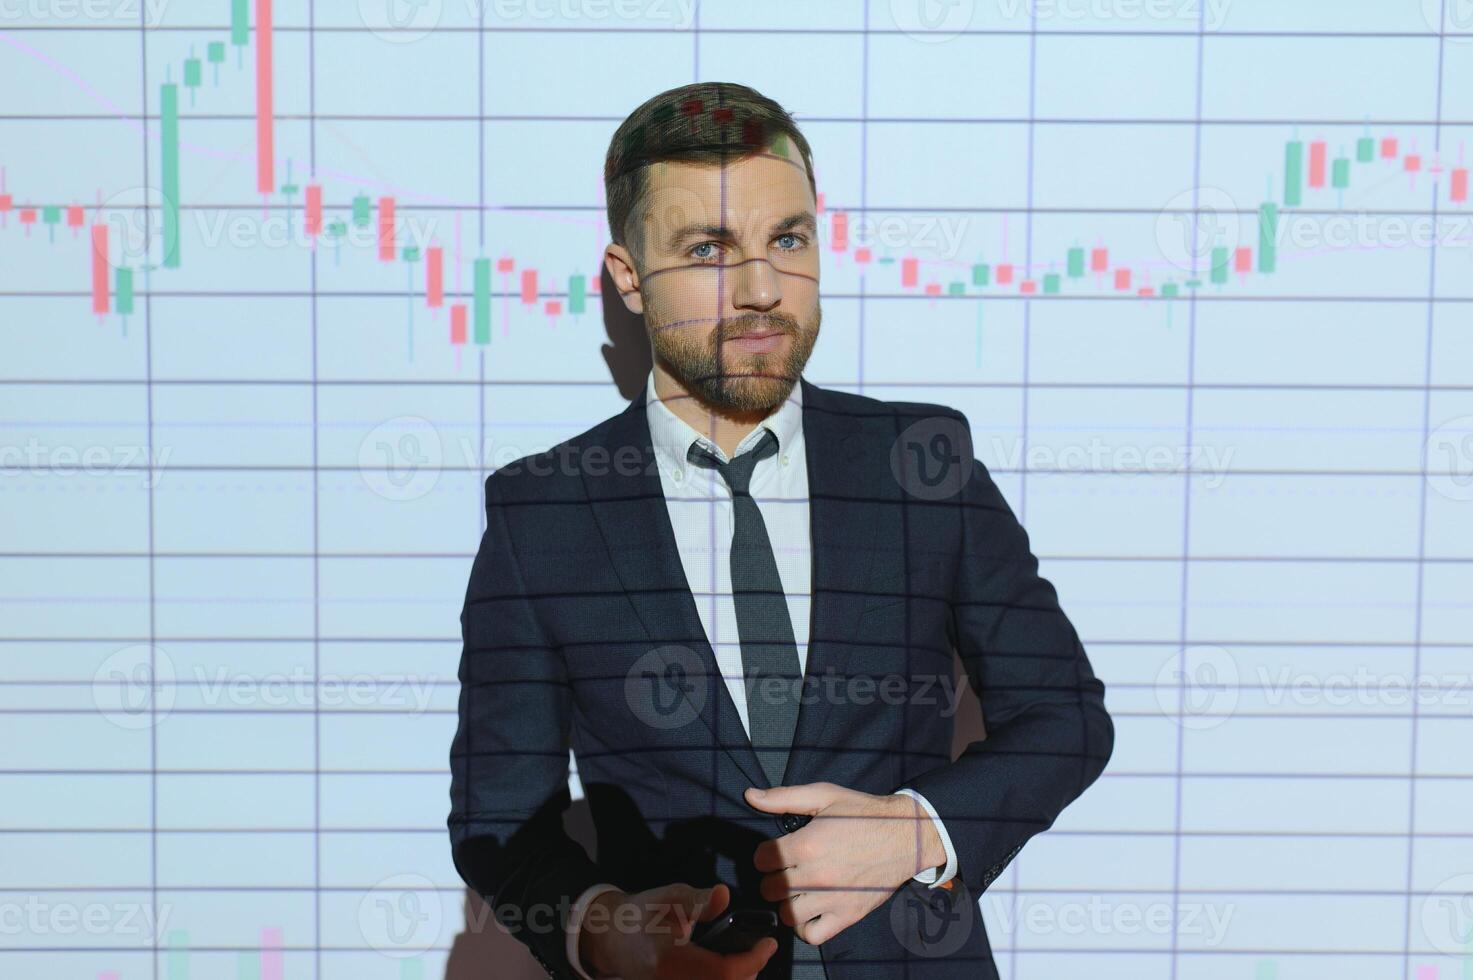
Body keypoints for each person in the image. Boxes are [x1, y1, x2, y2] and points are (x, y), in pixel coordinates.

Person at [448, 80, 1113, 980]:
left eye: (787, 240)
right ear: (628, 277)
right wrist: (604, 927)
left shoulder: (923, 462)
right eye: (708, 249)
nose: (763, 290)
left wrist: (919, 829)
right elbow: (500, 815)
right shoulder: (542, 514)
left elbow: (1064, 716)